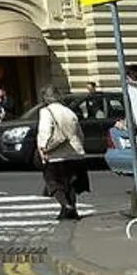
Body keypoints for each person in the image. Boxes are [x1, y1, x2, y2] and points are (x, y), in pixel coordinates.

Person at [37, 85, 88, 220]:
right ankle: (71, 210)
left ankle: (66, 206)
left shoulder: (46, 111)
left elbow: (45, 131)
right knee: (70, 184)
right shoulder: (69, 111)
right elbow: (80, 134)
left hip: (56, 155)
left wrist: (43, 148)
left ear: (46, 98)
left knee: (54, 183)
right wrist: (79, 148)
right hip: (74, 153)